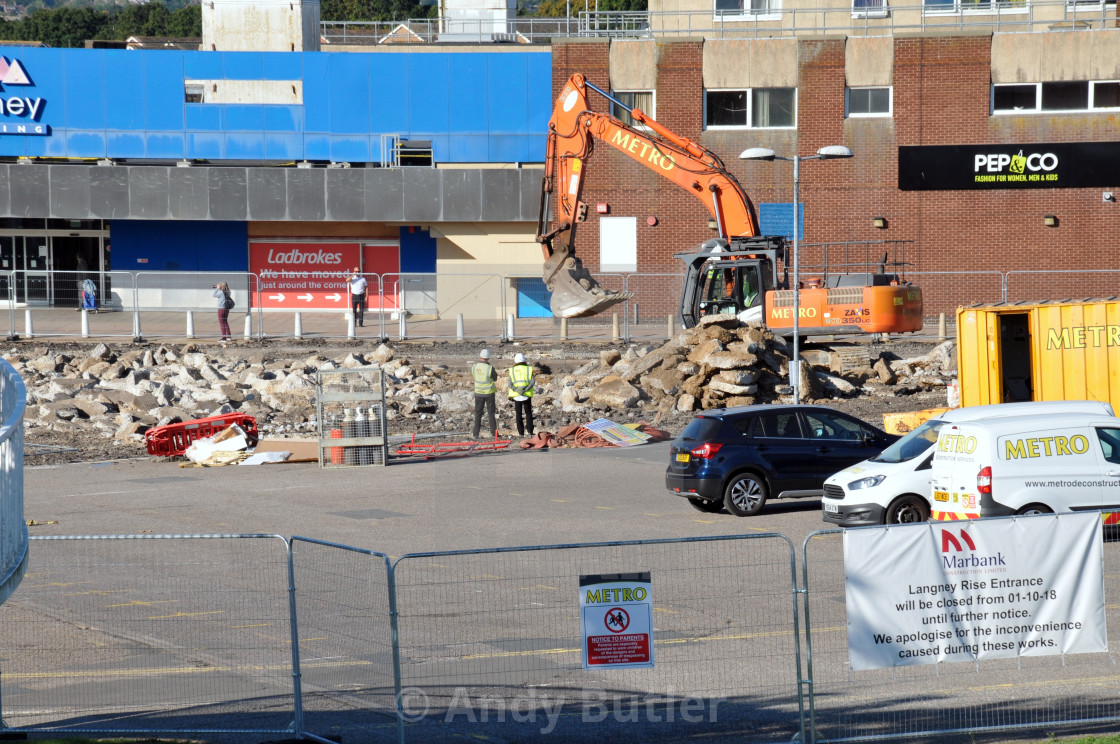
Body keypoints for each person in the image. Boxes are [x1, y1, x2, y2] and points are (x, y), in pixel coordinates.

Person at [471, 348, 498, 440]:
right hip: (489, 393)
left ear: (480, 356)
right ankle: (494, 434)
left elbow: (474, 376)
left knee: (478, 413)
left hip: (478, 393)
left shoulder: (474, 367)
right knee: (491, 413)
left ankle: (475, 434)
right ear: (488, 358)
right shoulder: (490, 368)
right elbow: (495, 378)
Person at [507, 352, 535, 437]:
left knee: (518, 414)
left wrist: (517, 390)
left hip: (516, 395)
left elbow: (510, 383)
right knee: (528, 413)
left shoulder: (512, 370)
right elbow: (532, 382)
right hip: (526, 394)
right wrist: (525, 390)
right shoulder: (529, 369)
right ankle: (530, 432)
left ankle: (521, 433)